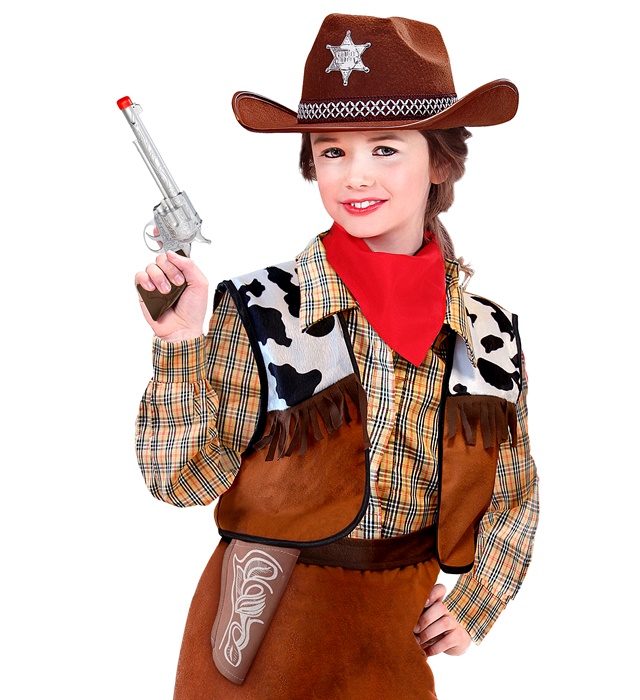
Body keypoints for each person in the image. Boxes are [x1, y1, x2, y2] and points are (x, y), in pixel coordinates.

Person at [134, 13, 538, 699]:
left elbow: (514, 492)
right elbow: (181, 482)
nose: (356, 176)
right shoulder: (259, 309)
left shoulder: (486, 334)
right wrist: (178, 347)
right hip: (258, 641)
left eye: (385, 148)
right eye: (331, 152)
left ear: (441, 161)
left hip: (393, 643)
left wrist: (479, 602)